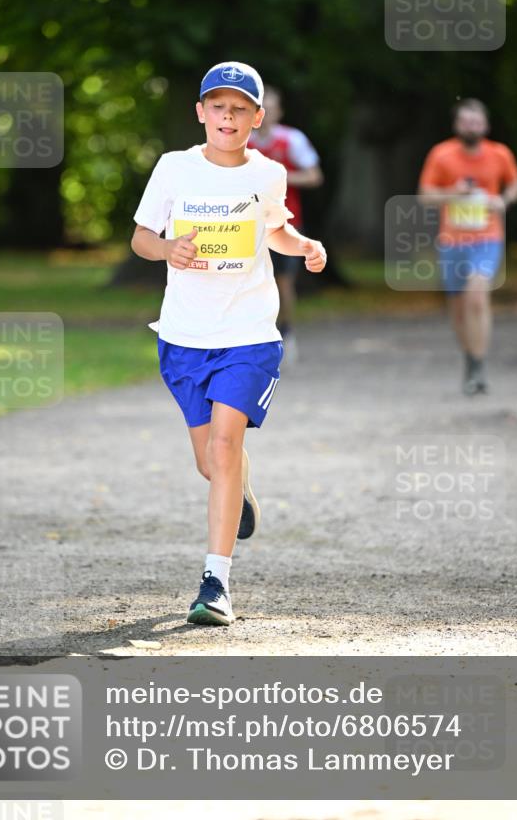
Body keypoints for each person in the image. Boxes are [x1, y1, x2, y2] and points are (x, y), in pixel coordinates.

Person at [130, 62, 327, 626]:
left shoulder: (267, 174)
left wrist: (304, 244)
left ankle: (215, 582)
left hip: (249, 332)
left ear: (257, 118)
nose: (228, 116)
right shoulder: (174, 169)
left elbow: (275, 229)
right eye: (218, 106)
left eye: (240, 108)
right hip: (185, 336)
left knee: (223, 445)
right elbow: (142, 237)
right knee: (210, 463)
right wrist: (168, 250)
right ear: (201, 113)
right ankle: (236, 488)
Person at [418, 98, 517, 395]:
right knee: (458, 308)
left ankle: (478, 365)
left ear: (486, 125)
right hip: (452, 240)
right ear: (456, 125)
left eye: (476, 122)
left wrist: (504, 200)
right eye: (465, 122)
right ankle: (470, 358)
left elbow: (516, 184)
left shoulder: (499, 154)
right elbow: (425, 195)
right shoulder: (441, 155)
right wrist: (453, 192)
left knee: (477, 297)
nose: (471, 127)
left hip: (487, 236)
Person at [249, 86, 323, 362]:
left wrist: (279, 178)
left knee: (283, 282)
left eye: (270, 109)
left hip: (283, 222)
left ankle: (286, 331)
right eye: (260, 109)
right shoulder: (240, 140)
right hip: (246, 223)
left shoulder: (291, 139)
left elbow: (314, 176)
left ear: (278, 112)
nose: (265, 116)